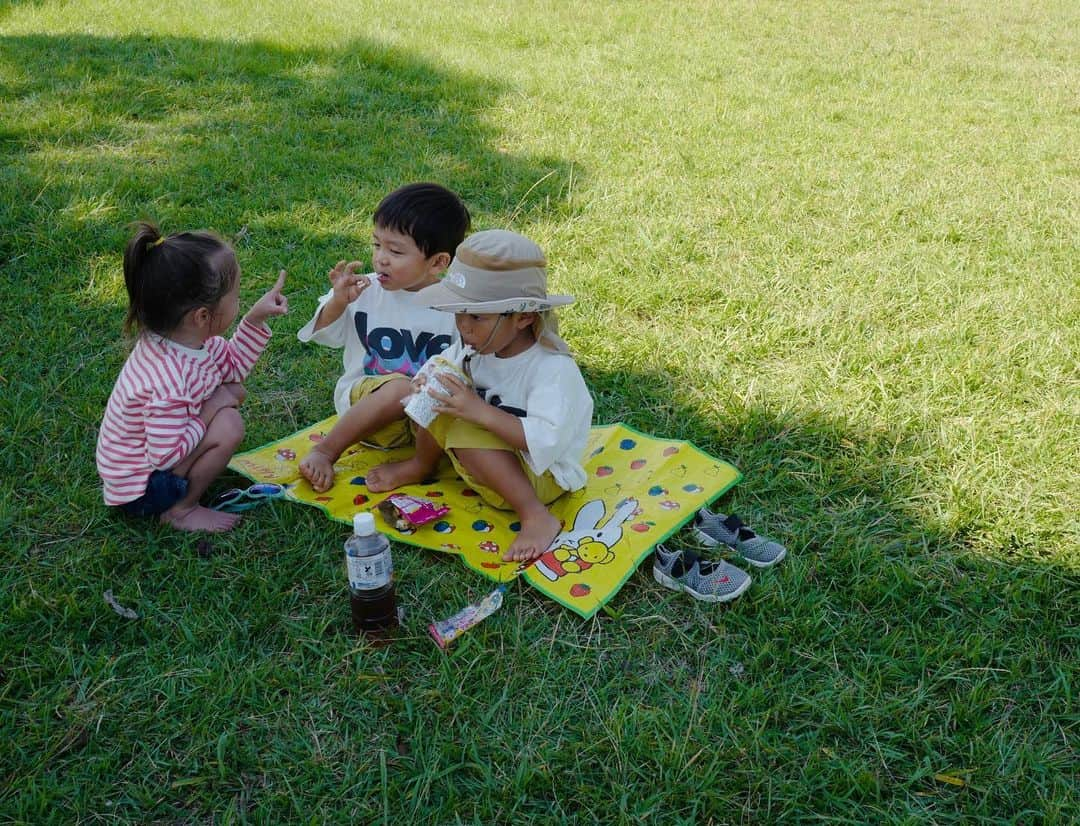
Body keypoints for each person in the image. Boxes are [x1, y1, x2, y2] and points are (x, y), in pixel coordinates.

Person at [366, 230, 593, 563]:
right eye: (459, 313)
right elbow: (442, 373)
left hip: (541, 477)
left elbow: (544, 441)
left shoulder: (551, 370)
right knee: (440, 391)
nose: (463, 326)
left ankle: (534, 516)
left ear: (524, 317)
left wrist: (477, 412)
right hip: (488, 464)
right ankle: (421, 465)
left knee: (462, 422)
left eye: (476, 316)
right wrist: (426, 383)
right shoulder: (478, 347)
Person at [96, 222, 289, 532]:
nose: (238, 304)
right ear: (201, 316)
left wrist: (254, 319)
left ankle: (185, 494)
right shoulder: (167, 379)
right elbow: (166, 455)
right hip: (141, 489)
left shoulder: (191, 342)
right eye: (236, 298)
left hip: (154, 463)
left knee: (228, 396)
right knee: (228, 424)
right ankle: (180, 511)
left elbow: (233, 369)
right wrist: (214, 406)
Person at [296, 183, 471, 492]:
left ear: (438, 262)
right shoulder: (363, 290)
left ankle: (421, 464)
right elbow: (324, 333)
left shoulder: (456, 306)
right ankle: (325, 451)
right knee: (400, 387)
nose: (380, 259)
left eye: (396, 251)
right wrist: (339, 301)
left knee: (447, 392)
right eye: (377, 245)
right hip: (368, 409)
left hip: (424, 422)